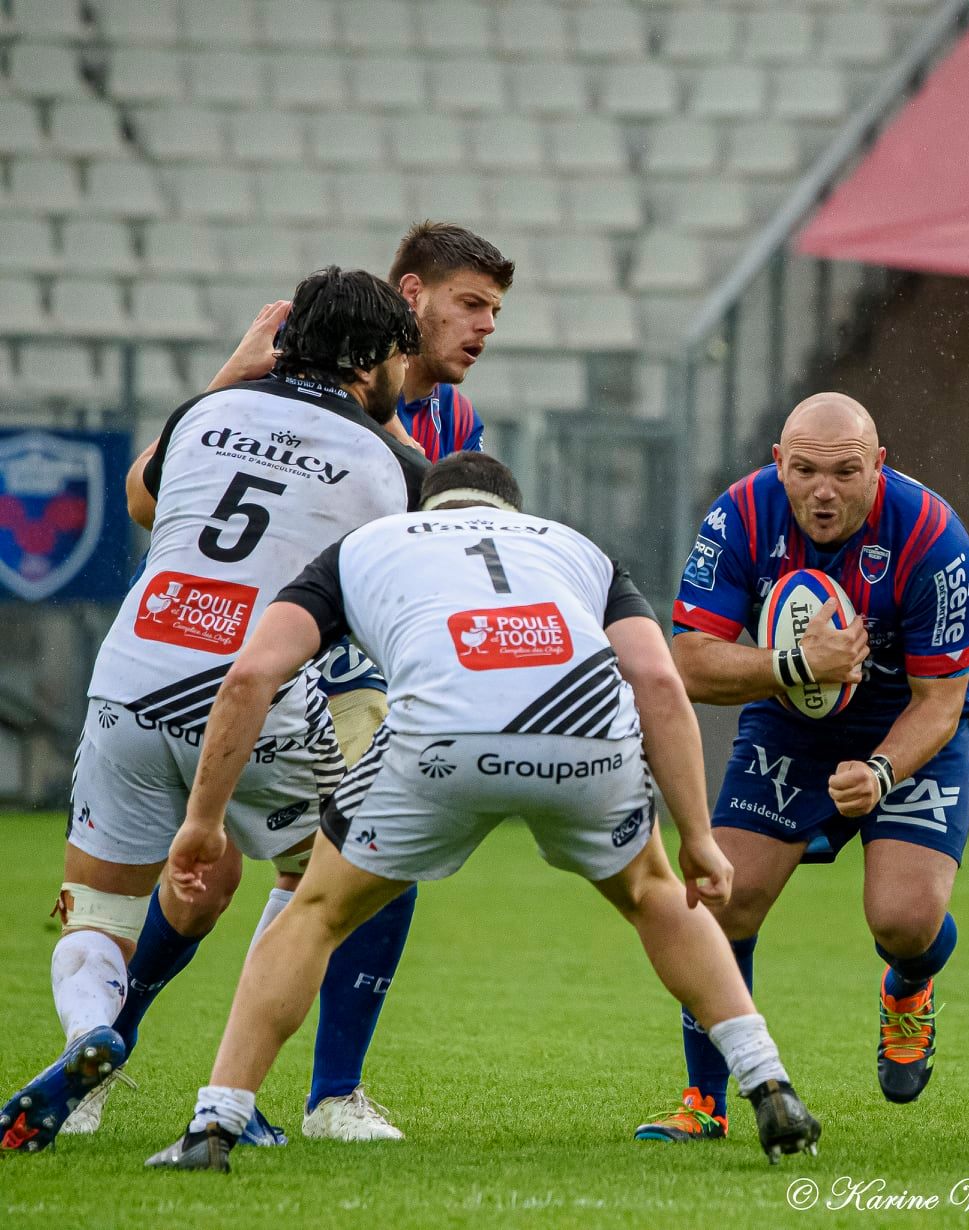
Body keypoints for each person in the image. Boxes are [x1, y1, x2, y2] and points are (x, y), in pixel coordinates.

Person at [140, 452, 817, 1171]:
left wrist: (203, 820)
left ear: (425, 508)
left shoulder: (368, 544)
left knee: (315, 913)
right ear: (513, 510)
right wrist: (700, 836)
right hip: (583, 729)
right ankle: (768, 1082)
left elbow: (252, 673)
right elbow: (655, 678)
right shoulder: (573, 547)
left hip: (441, 735)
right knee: (654, 893)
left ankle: (215, 1125)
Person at [79, 223, 517, 1142]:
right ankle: (141, 1063)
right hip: (270, 641)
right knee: (258, 870)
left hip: (335, 648)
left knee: (363, 856)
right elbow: (146, 498)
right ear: (410, 300)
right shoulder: (345, 403)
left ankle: (328, 1093)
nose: (484, 327)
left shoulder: (453, 422)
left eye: (493, 312)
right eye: (470, 305)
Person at [1, 268, 427, 1154]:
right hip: (255, 694)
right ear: (376, 360)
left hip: (130, 670)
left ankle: (88, 1051)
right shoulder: (389, 462)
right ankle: (234, 1093)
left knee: (99, 912)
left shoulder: (203, 414)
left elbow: (149, 499)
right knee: (330, 884)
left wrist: (232, 375)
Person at [635, 392, 969, 1141]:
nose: (824, 491)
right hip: (789, 719)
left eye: (846, 472)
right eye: (805, 471)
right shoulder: (740, 516)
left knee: (905, 920)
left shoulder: (931, 534)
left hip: (906, 724)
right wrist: (798, 663)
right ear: (777, 465)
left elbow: (942, 700)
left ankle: (910, 986)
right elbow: (688, 664)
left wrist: (882, 772)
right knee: (721, 900)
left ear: (879, 466)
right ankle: (707, 1101)